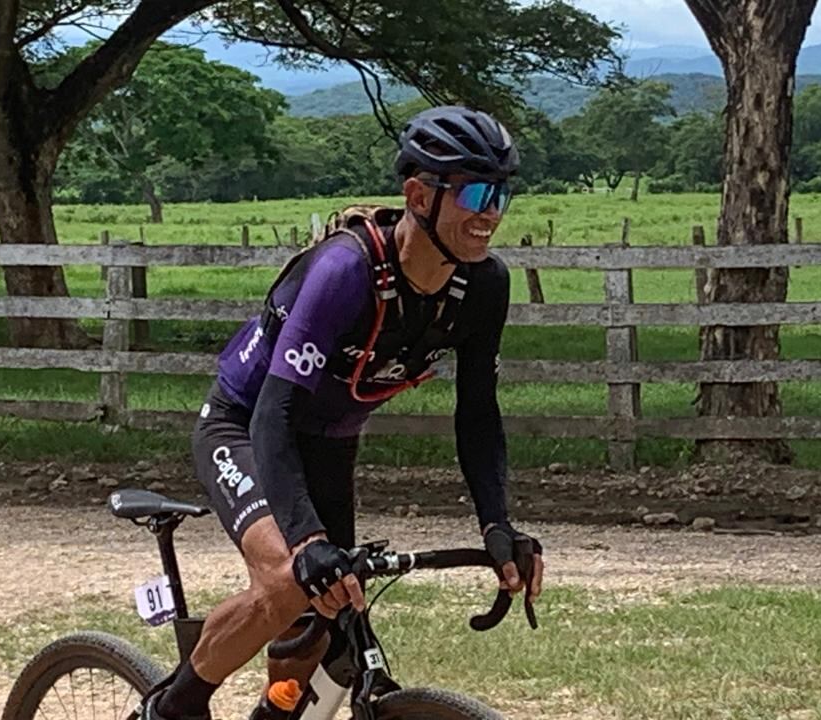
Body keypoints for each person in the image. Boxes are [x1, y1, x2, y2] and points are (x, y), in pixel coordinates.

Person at [142, 105, 544, 720]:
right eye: (475, 191)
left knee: (326, 613)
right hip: (246, 423)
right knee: (288, 580)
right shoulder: (345, 270)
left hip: (330, 441)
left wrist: (497, 524)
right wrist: (304, 542)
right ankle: (174, 706)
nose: (490, 211)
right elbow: (273, 414)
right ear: (418, 195)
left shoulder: (484, 285)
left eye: (501, 194)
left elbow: (478, 414)